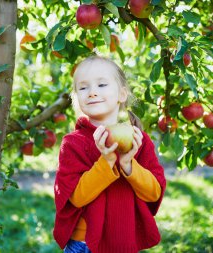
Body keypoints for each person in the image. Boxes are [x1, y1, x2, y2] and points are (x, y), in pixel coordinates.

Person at [53, 55, 166, 253]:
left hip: (123, 243)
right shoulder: (73, 143)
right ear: (77, 98)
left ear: (122, 94)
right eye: (83, 87)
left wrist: (128, 164)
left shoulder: (138, 140)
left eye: (102, 84)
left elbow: (153, 193)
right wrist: (106, 162)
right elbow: (76, 198)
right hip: (84, 244)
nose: (92, 92)